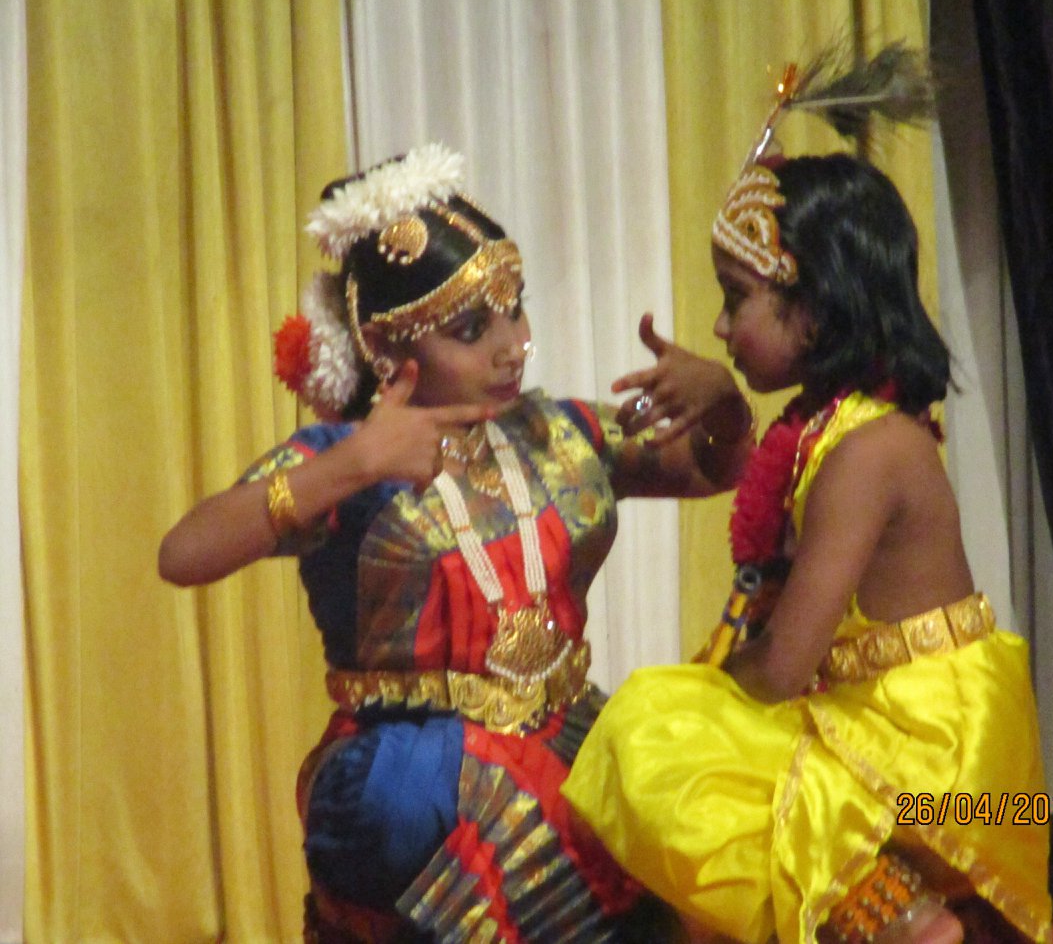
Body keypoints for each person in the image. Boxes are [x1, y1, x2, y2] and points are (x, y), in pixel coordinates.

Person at [157, 142, 753, 942]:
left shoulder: (554, 431)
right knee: (496, 819)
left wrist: (724, 405)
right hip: (416, 775)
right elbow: (183, 552)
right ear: (388, 351)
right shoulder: (346, 458)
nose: (513, 344)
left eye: (516, 308)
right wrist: (351, 465)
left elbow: (711, 471)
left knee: (704, 800)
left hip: (564, 729)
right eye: (473, 328)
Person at [562, 50, 1053, 944]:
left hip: (930, 748)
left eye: (734, 298)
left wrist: (700, 704)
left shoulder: (867, 451)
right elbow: (751, 523)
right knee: (679, 736)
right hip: (885, 719)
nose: (718, 323)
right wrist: (720, 399)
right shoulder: (831, 425)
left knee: (653, 733)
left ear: (816, 314)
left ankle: (904, 919)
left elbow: (784, 667)